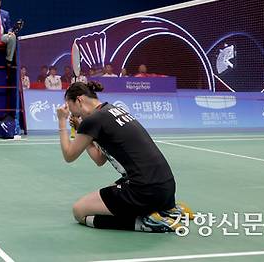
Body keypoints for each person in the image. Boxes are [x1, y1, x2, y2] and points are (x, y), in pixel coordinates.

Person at [56, 81, 193, 233]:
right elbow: (99, 159)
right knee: (110, 189)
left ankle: (145, 222)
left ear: (79, 100)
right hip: (165, 188)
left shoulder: (92, 121)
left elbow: (69, 156)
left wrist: (61, 120)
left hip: (144, 191)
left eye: (70, 107)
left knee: (79, 211)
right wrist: (85, 135)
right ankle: (166, 209)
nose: (72, 114)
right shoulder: (112, 110)